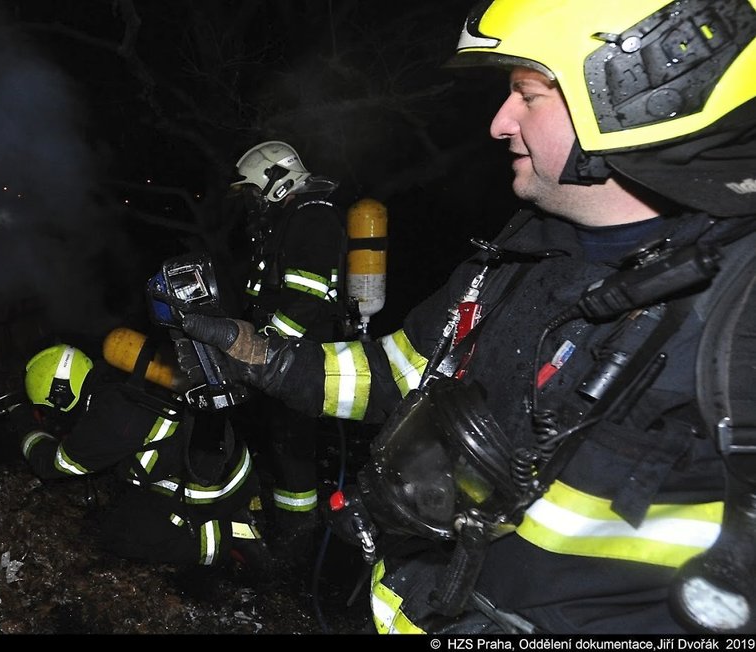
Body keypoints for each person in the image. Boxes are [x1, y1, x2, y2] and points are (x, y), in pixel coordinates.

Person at [176, 0, 756, 635]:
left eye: (528, 95)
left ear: (649, 101)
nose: (500, 123)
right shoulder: (518, 259)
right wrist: (259, 354)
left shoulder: (739, 320)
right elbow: (401, 373)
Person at [11, 339, 270, 572]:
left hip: (210, 487)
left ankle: (228, 535)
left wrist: (26, 428)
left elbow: (55, 464)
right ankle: (243, 506)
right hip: (233, 458)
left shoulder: (106, 418)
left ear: (60, 396)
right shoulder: (118, 376)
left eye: (51, 409)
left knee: (118, 535)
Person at [226, 140, 350, 562]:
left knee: (292, 444)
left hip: (302, 358)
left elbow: (310, 297)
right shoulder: (288, 219)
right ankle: (280, 520)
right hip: (282, 353)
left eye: (253, 190)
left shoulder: (313, 218)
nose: (251, 200)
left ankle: (301, 538)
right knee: (274, 439)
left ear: (277, 181)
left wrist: (264, 346)